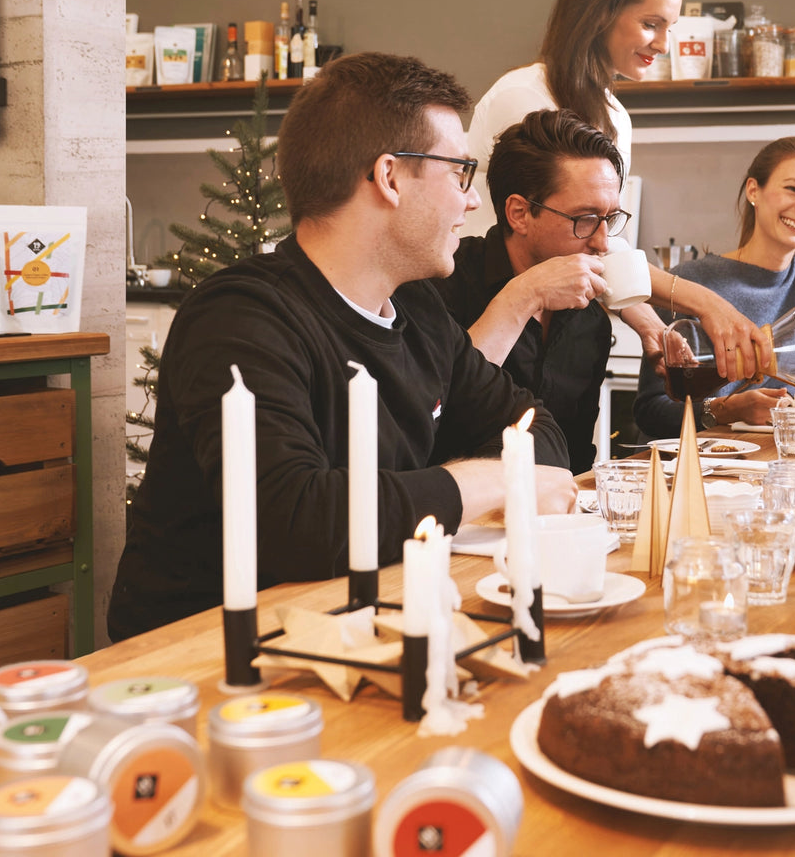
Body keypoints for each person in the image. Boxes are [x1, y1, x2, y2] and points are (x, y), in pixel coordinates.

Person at [109, 53, 576, 641]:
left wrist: (459, 483)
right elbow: (297, 521)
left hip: (362, 619)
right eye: (460, 172)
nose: (472, 200)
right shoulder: (239, 319)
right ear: (389, 177)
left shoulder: (419, 310)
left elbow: (539, 432)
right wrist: (500, 480)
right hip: (210, 649)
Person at [466, 0, 770, 383]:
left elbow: (604, 241)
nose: (663, 44)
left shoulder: (614, 117)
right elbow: (561, 235)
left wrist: (647, 323)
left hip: (558, 317)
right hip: (490, 309)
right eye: (651, 24)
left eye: (669, 28)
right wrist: (706, 303)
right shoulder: (523, 97)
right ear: (600, 14)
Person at [426, 108, 654, 474]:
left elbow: (576, 457)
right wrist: (525, 295)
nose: (602, 242)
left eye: (610, 218)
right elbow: (431, 421)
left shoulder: (589, 321)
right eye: (585, 219)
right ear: (519, 213)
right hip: (454, 504)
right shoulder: (438, 285)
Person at [634, 137, 795, 438]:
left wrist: (784, 403)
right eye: (792, 189)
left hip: (776, 453)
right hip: (697, 458)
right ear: (753, 190)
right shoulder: (687, 284)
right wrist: (726, 410)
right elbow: (651, 411)